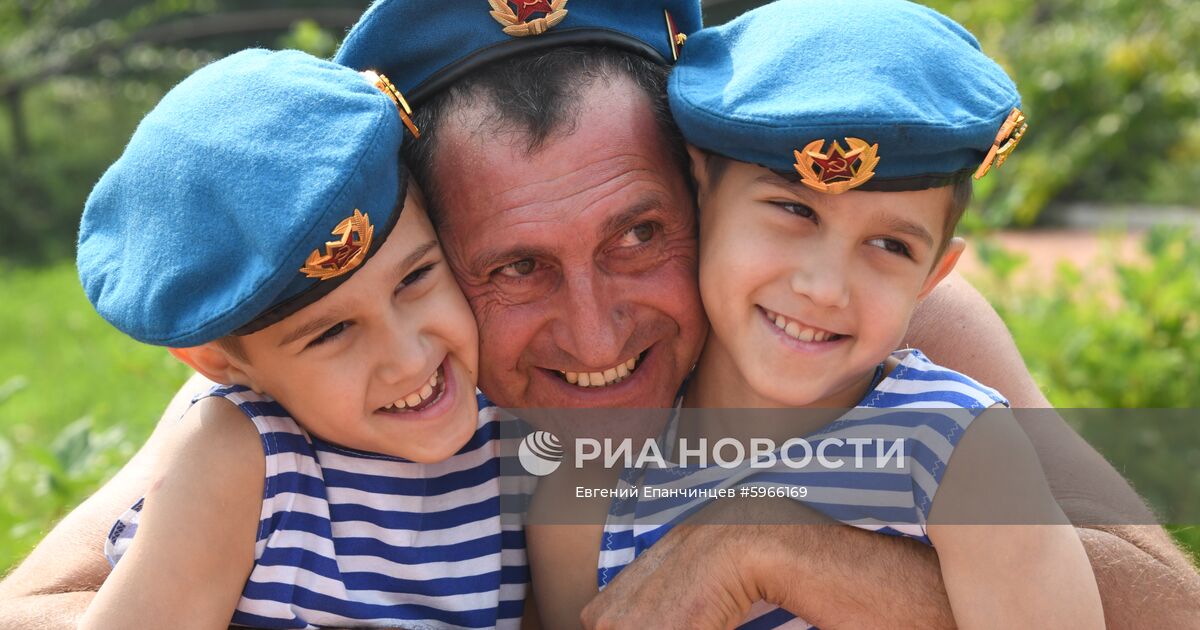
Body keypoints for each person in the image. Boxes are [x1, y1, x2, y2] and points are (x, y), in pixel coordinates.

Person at [1, 1, 1197, 628]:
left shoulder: (878, 330)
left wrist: (772, 551)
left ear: (708, 187)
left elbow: (1166, 611)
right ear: (420, 247)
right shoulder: (330, 377)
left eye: (638, 237)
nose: (593, 332)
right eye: (510, 268)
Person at [529, 1, 1105, 627]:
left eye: (891, 246)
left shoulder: (959, 452)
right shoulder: (595, 482)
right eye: (794, 211)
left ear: (933, 277)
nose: (826, 288)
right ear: (698, 197)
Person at [72, 49, 524, 628]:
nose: (408, 358)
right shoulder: (240, 461)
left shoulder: (515, 426)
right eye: (333, 331)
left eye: (415, 278)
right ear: (214, 360)